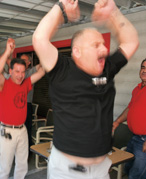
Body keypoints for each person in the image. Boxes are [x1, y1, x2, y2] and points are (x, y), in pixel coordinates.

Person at [32, 0, 139, 178]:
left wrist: (114, 11)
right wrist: (61, 8)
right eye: (96, 45)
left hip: (101, 168)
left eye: (103, 44)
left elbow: (130, 41)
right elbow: (39, 38)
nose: (105, 49)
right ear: (77, 51)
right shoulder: (62, 69)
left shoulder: (107, 69)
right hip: (67, 170)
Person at [0, 38, 45, 179]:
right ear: (10, 71)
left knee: (22, 165)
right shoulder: (4, 84)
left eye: (22, 72)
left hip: (22, 130)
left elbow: (41, 73)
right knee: (5, 166)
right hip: (7, 132)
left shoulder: (25, 84)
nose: (20, 75)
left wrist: (44, 52)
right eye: (17, 71)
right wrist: (8, 51)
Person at [113, 56, 146, 179]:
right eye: (143, 67)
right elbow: (130, 108)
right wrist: (117, 122)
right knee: (127, 168)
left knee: (136, 176)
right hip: (135, 137)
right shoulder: (138, 88)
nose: (145, 70)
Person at [20, 54, 41, 149]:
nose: (22, 62)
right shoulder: (16, 73)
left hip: (26, 104)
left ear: (29, 62)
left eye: (24, 60)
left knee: (26, 129)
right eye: (21, 60)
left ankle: (27, 150)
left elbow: (40, 66)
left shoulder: (31, 71)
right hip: (16, 105)